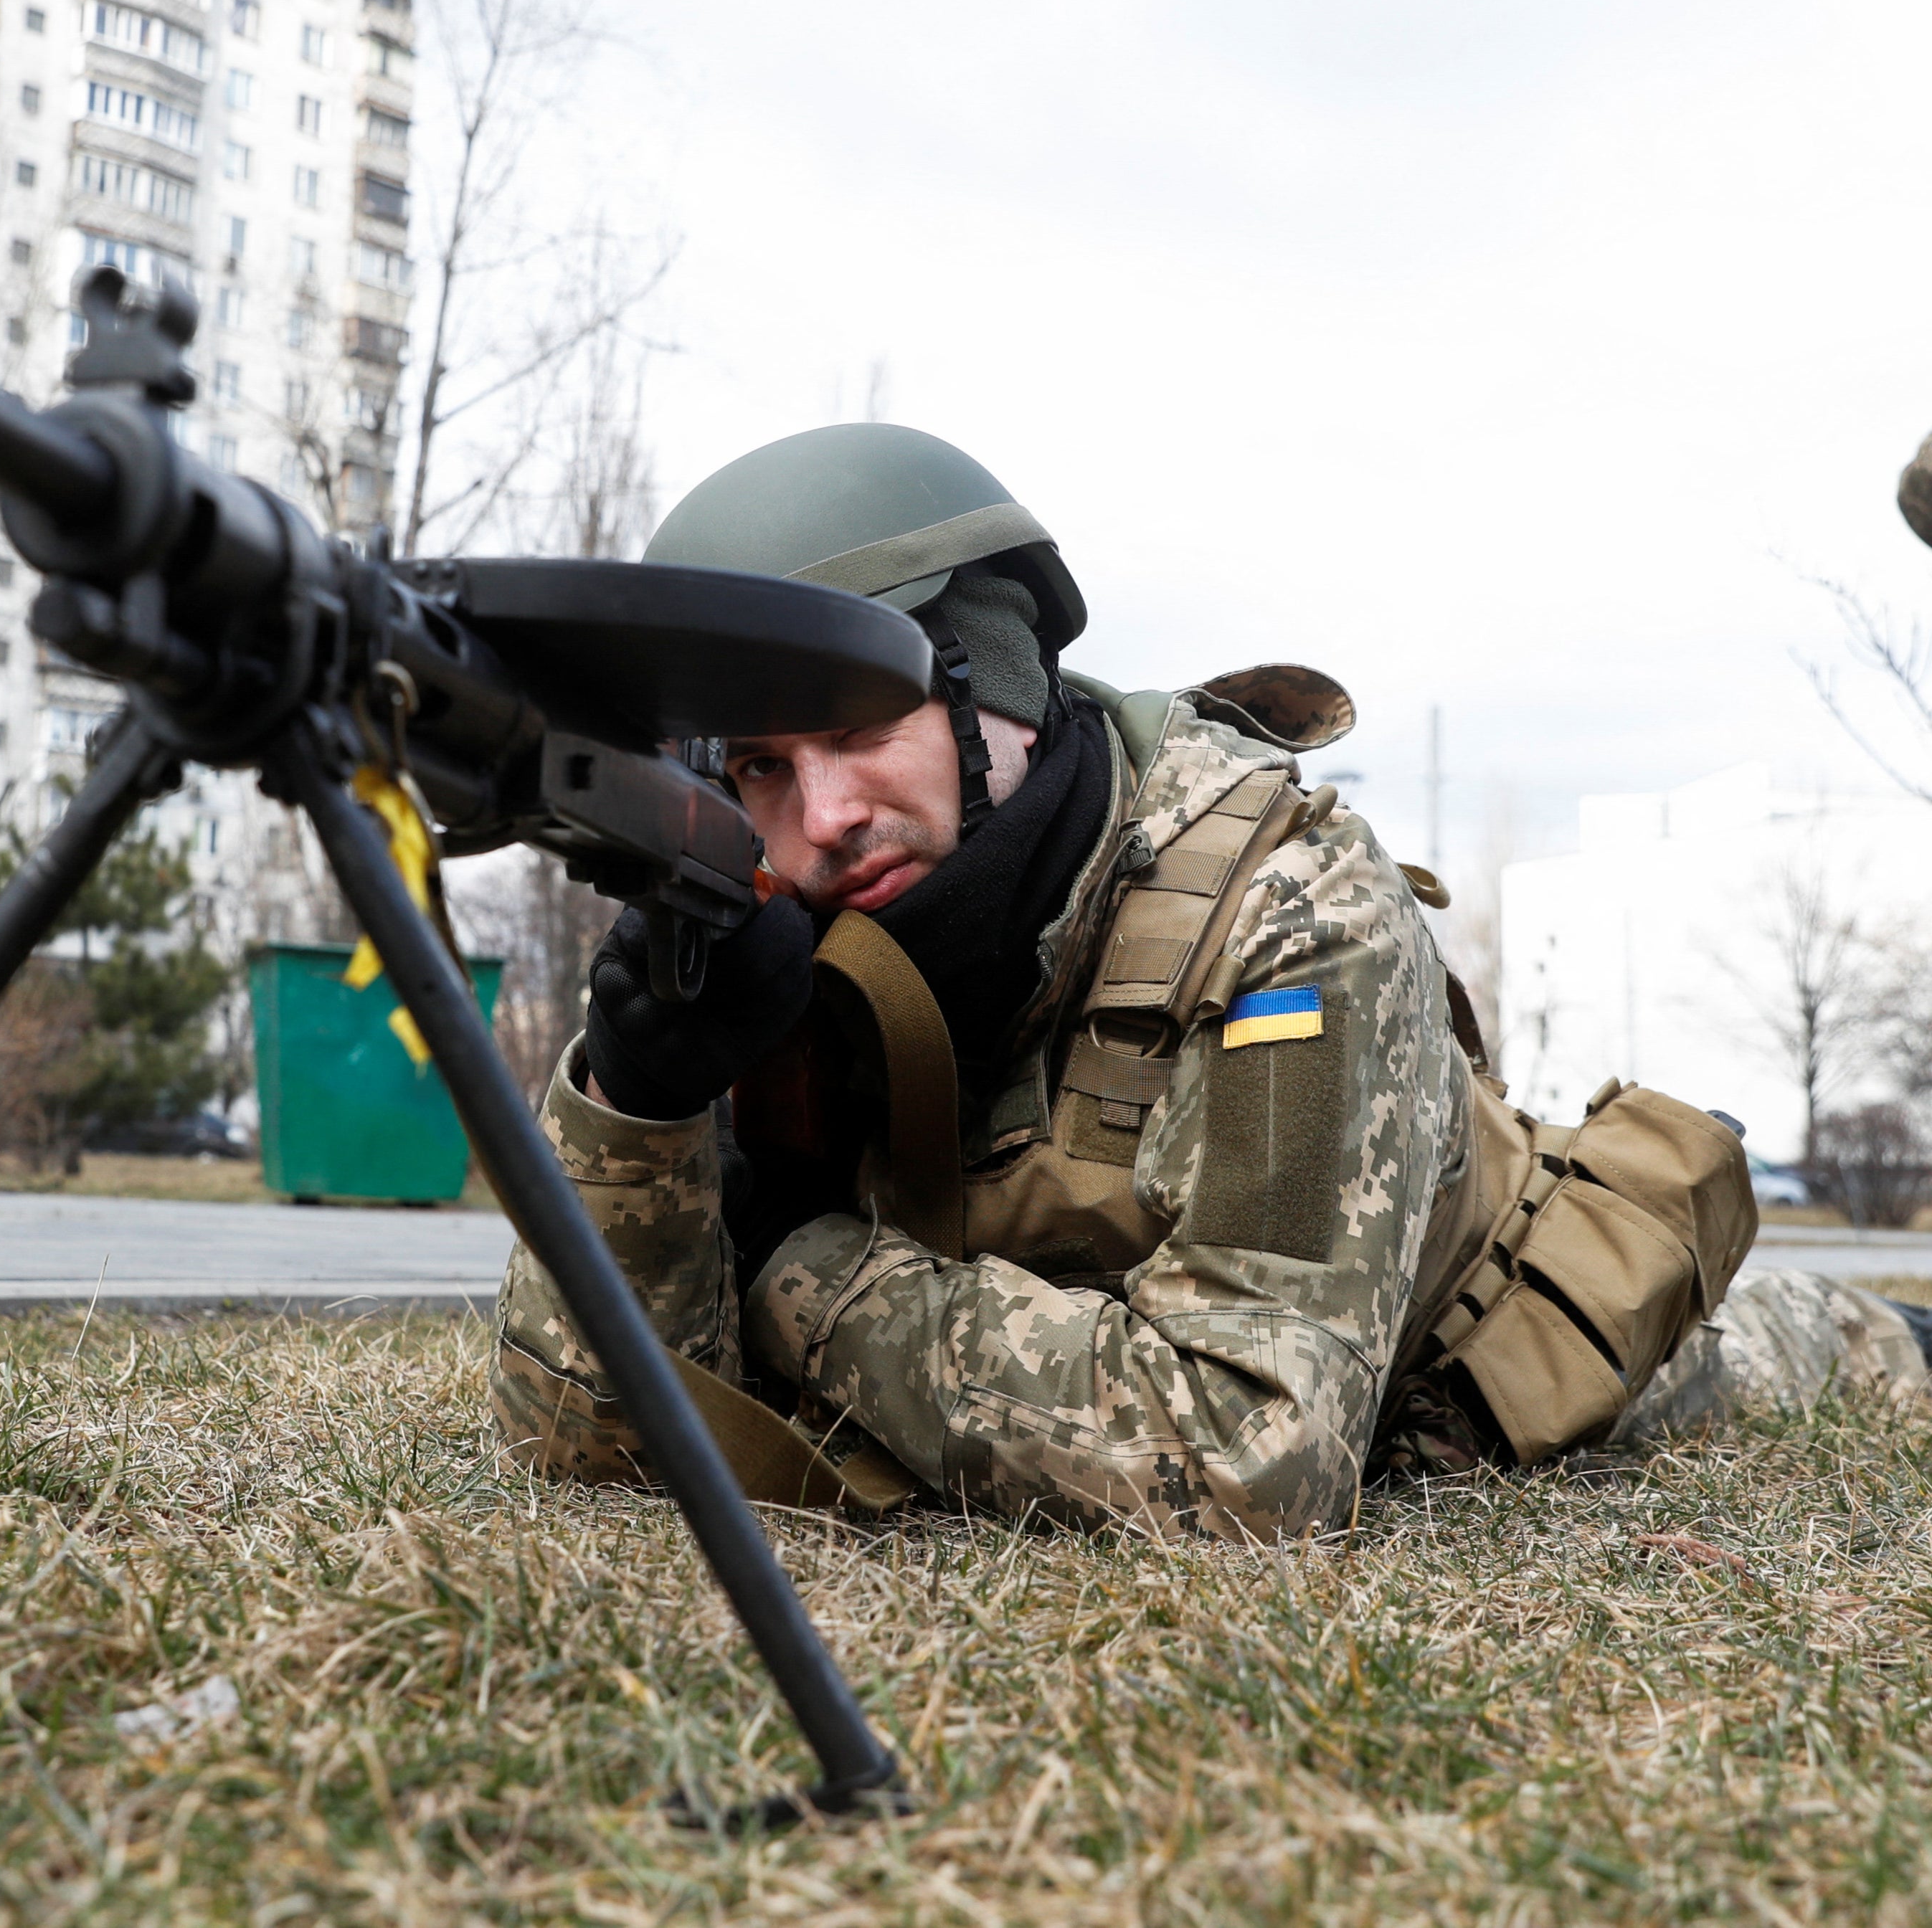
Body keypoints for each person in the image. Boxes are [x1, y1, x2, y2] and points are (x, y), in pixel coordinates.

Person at [493, 424, 1932, 1537]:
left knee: (1804, 1342)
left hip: (1460, 1327)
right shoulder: (779, 921)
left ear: (984, 677)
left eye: (847, 724)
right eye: (755, 764)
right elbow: (584, 1440)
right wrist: (643, 1109)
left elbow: (1249, 1466)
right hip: (1101, 1306)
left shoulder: (1286, 899)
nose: (816, 819)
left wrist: (796, 1265)